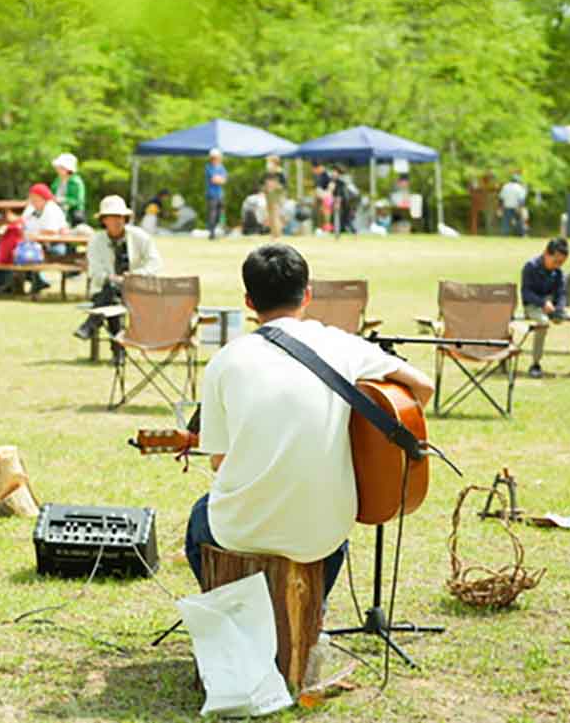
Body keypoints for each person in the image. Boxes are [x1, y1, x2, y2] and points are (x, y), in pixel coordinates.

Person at [184, 243, 434, 596]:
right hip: (324, 532)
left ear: (249, 301)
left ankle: (240, 613)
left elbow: (219, 461)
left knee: (200, 519)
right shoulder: (344, 345)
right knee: (331, 526)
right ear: (308, 295)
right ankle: (312, 612)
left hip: (241, 530)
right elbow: (423, 387)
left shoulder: (225, 361)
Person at [73, 195, 163, 364]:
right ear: (104, 220)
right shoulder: (96, 241)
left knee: (112, 295)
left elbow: (155, 263)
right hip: (105, 290)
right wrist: (112, 278)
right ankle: (118, 353)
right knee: (112, 295)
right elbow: (95, 272)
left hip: (137, 292)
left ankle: (91, 325)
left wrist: (136, 275)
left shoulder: (140, 236)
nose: (117, 221)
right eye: (112, 217)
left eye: (120, 217)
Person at [521, 237, 570, 378]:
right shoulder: (530, 266)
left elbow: (561, 293)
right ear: (546, 253)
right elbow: (526, 293)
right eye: (556, 261)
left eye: (561, 263)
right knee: (543, 322)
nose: (558, 265)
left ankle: (559, 313)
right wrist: (542, 303)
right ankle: (535, 364)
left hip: (550, 304)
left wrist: (559, 307)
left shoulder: (558, 272)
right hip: (533, 305)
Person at [21, 183, 67, 293]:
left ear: (43, 198)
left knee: (29, 254)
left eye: (35, 198)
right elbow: (22, 222)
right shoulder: (31, 208)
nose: (32, 200)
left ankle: (38, 281)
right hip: (36, 243)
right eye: (31, 197)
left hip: (55, 245)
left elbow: (51, 231)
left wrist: (33, 234)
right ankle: (38, 281)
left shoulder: (51, 209)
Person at [51, 153, 87, 226]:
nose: (57, 169)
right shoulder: (57, 180)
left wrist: (61, 200)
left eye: (60, 167)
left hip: (73, 215)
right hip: (57, 212)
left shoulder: (76, 182)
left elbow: (78, 201)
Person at [204, 148, 227, 240]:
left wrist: (219, 179)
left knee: (220, 214)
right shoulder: (208, 167)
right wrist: (219, 179)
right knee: (212, 214)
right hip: (211, 194)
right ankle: (212, 233)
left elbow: (223, 180)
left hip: (220, 194)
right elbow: (214, 180)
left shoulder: (221, 167)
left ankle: (221, 230)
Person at [330, 165, 357, 236]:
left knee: (345, 218)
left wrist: (338, 202)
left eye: (334, 172)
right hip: (346, 201)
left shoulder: (340, 181)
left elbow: (340, 193)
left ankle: (352, 232)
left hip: (345, 202)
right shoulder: (340, 180)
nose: (332, 173)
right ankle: (342, 232)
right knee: (345, 218)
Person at [264, 155, 286, 238]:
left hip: (276, 195)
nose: (268, 163)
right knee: (270, 214)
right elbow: (264, 183)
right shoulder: (268, 172)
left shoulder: (280, 172)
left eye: (269, 161)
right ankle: (273, 233)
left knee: (275, 214)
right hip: (269, 194)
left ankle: (278, 233)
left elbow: (284, 185)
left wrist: (275, 186)